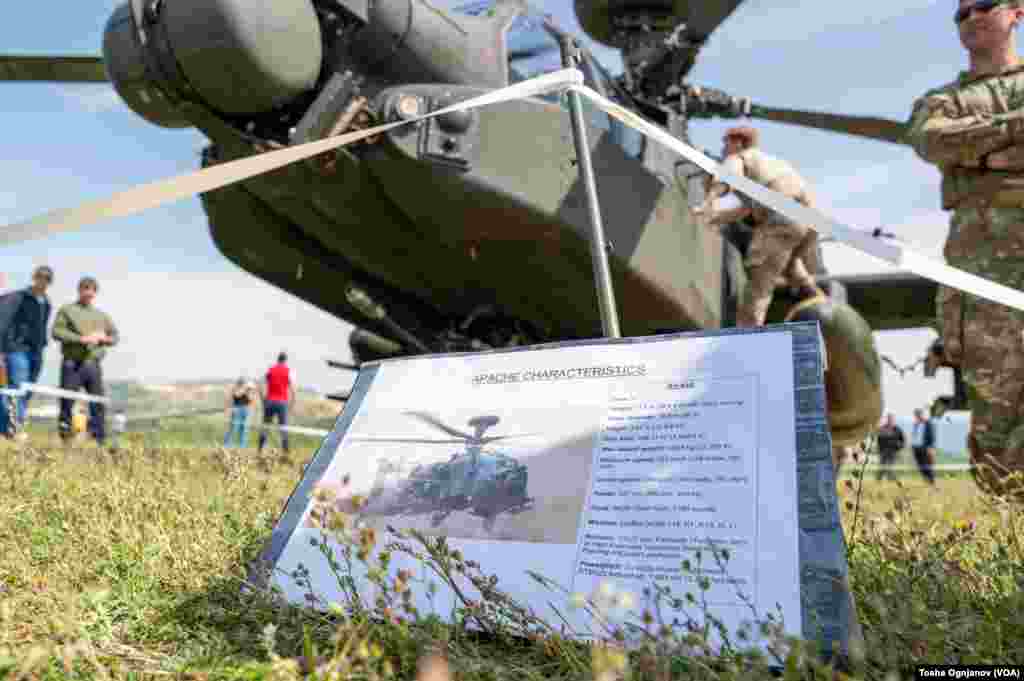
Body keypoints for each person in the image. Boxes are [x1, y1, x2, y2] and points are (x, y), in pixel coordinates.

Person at [905, 0, 1024, 496]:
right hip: (981, 273)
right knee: (994, 415)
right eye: (961, 12)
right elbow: (931, 141)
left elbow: (955, 146)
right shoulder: (941, 99)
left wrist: (976, 153)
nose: (971, 15)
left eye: (984, 5)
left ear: (1016, 11)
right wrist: (1013, 131)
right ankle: (1009, 546)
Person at [694, 126, 823, 327]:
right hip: (809, 220)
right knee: (783, 259)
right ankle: (812, 293)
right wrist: (713, 219)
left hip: (782, 216)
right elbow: (747, 209)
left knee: (758, 284)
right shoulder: (768, 164)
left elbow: (727, 176)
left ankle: (748, 335)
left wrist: (708, 201)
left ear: (738, 142)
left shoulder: (740, 157)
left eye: (725, 143)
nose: (723, 149)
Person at [51, 277, 119, 445]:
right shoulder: (67, 310)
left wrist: (104, 339)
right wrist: (80, 339)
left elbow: (115, 336)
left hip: (92, 365)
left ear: (95, 293)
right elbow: (56, 332)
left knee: (97, 402)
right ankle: (65, 439)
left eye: (91, 289)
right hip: (72, 364)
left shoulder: (102, 316)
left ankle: (98, 440)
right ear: (79, 290)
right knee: (67, 402)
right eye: (85, 288)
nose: (88, 292)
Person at [0, 265, 54, 439]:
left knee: (27, 390)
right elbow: (3, 322)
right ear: (34, 277)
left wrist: (43, 345)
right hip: (16, 350)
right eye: (40, 276)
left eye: (46, 278)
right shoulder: (18, 297)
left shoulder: (46, 302)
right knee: (17, 388)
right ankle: (17, 427)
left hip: (36, 352)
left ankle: (6, 427)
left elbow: (42, 326)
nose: (43, 280)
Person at [258, 352, 295, 454]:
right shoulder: (288, 371)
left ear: (277, 359)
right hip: (282, 402)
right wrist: (291, 405)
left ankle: (260, 449)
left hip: (269, 401)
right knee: (283, 427)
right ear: (285, 360)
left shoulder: (270, 370)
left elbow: (260, 384)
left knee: (265, 426)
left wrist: (263, 400)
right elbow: (293, 390)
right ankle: (285, 451)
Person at [224, 377, 257, 448]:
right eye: (241, 383)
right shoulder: (236, 389)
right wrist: (244, 389)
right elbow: (237, 395)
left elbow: (251, 400)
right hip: (237, 409)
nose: (242, 384)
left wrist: (249, 392)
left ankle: (242, 446)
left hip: (246, 409)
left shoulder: (247, 390)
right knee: (233, 428)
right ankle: (227, 445)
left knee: (244, 429)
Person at [875, 413, 906, 481]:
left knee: (890, 466)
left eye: (891, 419)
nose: (890, 420)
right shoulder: (882, 428)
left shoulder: (897, 429)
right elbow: (879, 439)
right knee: (882, 465)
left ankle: (891, 479)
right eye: (889, 418)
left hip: (893, 451)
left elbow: (903, 440)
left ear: (893, 420)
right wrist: (879, 449)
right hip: (883, 451)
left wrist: (899, 447)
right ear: (887, 419)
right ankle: (878, 479)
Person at [910, 408, 937, 485]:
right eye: (916, 415)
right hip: (916, 448)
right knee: (920, 466)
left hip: (925, 448)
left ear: (922, 414)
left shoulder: (928, 423)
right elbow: (915, 435)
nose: (917, 416)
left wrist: (930, 447)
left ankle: (931, 482)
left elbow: (932, 436)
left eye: (918, 414)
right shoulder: (916, 424)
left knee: (927, 466)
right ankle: (926, 480)